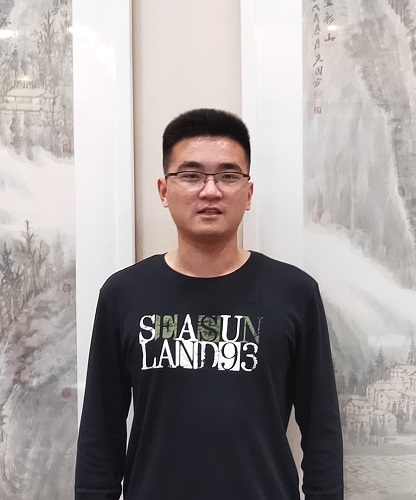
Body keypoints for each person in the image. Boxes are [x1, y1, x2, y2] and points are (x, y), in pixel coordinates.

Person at [75, 108, 344, 500]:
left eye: (228, 176)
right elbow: (100, 433)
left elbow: (322, 431)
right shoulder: (124, 294)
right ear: (164, 190)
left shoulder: (294, 293)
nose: (211, 191)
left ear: (248, 194)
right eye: (192, 175)